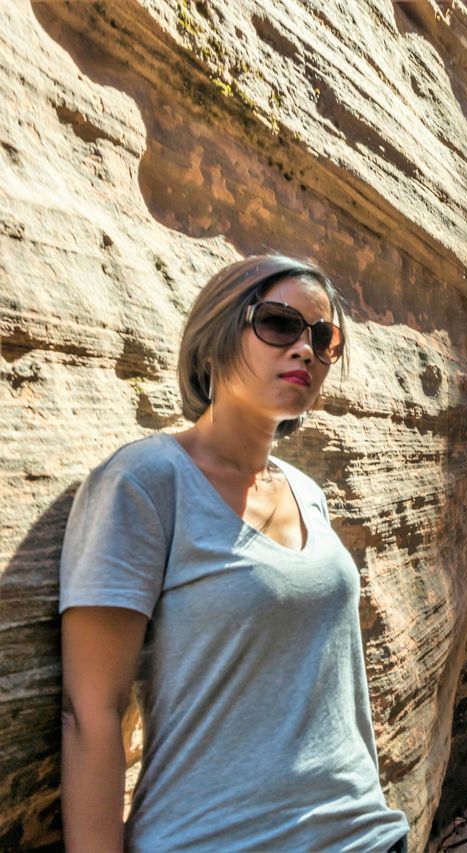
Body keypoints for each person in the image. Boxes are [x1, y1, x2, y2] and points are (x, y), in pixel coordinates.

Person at [58, 255, 411, 852]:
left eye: (324, 338)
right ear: (219, 333)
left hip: (365, 837)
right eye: (279, 324)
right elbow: (90, 715)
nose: (306, 349)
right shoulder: (144, 483)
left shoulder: (308, 494)